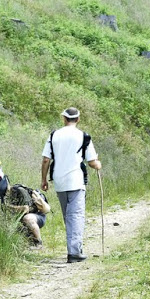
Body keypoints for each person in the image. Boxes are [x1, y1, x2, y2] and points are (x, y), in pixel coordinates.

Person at [41, 107, 101, 263]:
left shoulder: (54, 135)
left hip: (59, 181)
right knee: (76, 216)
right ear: (78, 119)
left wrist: (44, 180)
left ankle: (74, 248)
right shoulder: (83, 136)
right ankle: (74, 252)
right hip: (76, 180)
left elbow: (46, 159)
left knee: (68, 215)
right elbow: (92, 162)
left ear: (64, 118)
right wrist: (98, 164)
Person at [5, 184, 51, 248]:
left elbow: (27, 209)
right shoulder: (4, 196)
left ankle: (39, 244)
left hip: (37, 216)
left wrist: (21, 208)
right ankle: (29, 242)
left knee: (27, 218)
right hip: (22, 219)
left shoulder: (19, 191)